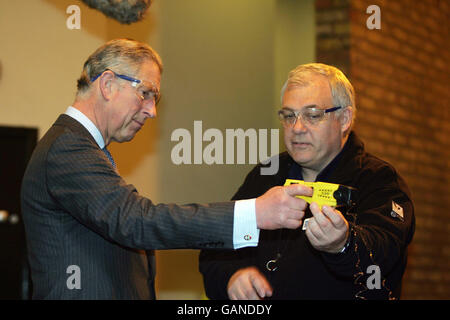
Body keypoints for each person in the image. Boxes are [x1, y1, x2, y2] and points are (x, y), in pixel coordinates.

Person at [20, 39, 312, 299]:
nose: (152, 110)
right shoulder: (69, 148)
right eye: (145, 93)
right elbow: (137, 221)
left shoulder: (81, 147)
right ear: (107, 84)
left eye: (154, 98)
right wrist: (256, 213)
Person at [199, 63, 415, 300]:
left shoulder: (378, 180)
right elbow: (216, 248)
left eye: (312, 115)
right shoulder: (265, 175)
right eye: (289, 116)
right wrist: (230, 278)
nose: (297, 128)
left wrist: (344, 244)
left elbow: (384, 253)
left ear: (345, 119)